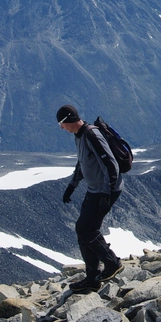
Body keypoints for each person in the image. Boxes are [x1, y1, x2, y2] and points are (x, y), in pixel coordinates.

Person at [56, 104, 124, 292]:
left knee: (86, 228)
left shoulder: (92, 135)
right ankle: (92, 278)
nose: (62, 128)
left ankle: (112, 263)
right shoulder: (80, 136)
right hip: (96, 190)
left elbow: (111, 165)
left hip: (106, 190)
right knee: (83, 230)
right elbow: (82, 163)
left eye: (62, 124)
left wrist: (106, 193)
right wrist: (72, 185)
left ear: (69, 120)